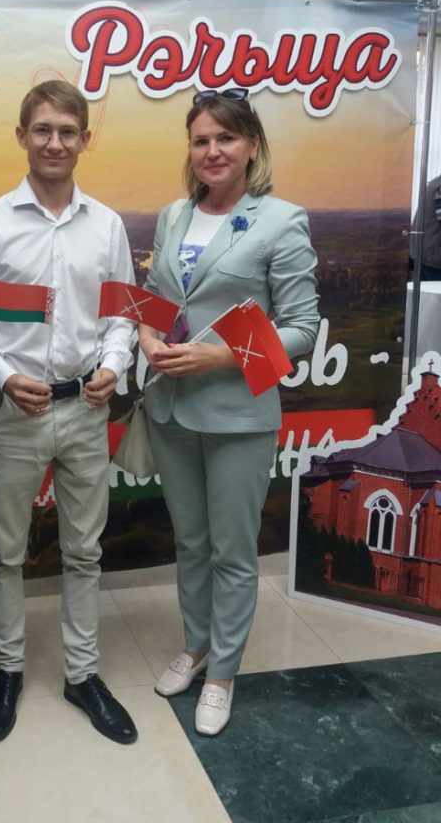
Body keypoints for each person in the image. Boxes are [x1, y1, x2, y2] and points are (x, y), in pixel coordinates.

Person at [0, 80, 138, 745]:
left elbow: (122, 316)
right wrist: (5, 377)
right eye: (42, 129)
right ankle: (7, 670)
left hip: (87, 409)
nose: (54, 142)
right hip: (16, 413)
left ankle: (81, 675)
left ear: (85, 139)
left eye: (67, 131)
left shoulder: (108, 226)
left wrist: (115, 364)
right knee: (7, 552)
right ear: (22, 136)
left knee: (84, 552)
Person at [138, 88, 319, 736]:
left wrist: (220, 357)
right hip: (170, 408)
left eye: (225, 138)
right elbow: (158, 298)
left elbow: (301, 329)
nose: (212, 151)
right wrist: (147, 339)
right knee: (190, 541)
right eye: (201, 140)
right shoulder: (173, 216)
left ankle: (222, 673)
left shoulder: (280, 220)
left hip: (239, 411)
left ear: (251, 146)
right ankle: (196, 645)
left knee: (232, 551)